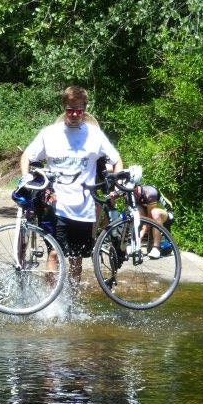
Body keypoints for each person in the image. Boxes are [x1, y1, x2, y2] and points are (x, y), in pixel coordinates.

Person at [18, 86, 123, 282]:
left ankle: (72, 299)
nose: (74, 114)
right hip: (55, 204)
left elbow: (116, 160)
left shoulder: (95, 135)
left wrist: (117, 186)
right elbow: (27, 157)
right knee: (54, 253)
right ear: (64, 108)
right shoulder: (50, 133)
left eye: (79, 110)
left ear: (85, 109)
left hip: (83, 208)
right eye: (70, 110)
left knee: (76, 258)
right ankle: (50, 298)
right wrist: (26, 179)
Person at [135, 185, 174, 259]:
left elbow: (149, 220)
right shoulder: (130, 195)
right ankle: (139, 245)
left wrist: (142, 234)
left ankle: (156, 248)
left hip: (166, 213)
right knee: (136, 211)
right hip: (150, 214)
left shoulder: (150, 193)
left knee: (155, 213)